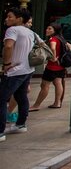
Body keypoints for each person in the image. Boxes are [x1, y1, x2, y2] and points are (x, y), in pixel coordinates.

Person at [1, 8, 35, 142]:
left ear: (19, 19)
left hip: (15, 70)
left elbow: (8, 46)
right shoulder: (30, 32)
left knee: (2, 99)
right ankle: (21, 124)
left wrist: (7, 64)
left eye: (10, 17)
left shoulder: (12, 30)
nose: (7, 19)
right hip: (27, 69)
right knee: (21, 96)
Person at [30, 23, 69, 110]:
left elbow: (53, 47)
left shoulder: (53, 39)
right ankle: (57, 102)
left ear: (55, 30)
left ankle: (36, 105)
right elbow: (69, 47)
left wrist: (53, 58)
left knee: (44, 85)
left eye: (50, 29)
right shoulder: (61, 39)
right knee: (58, 83)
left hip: (52, 67)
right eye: (47, 28)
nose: (47, 30)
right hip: (61, 66)